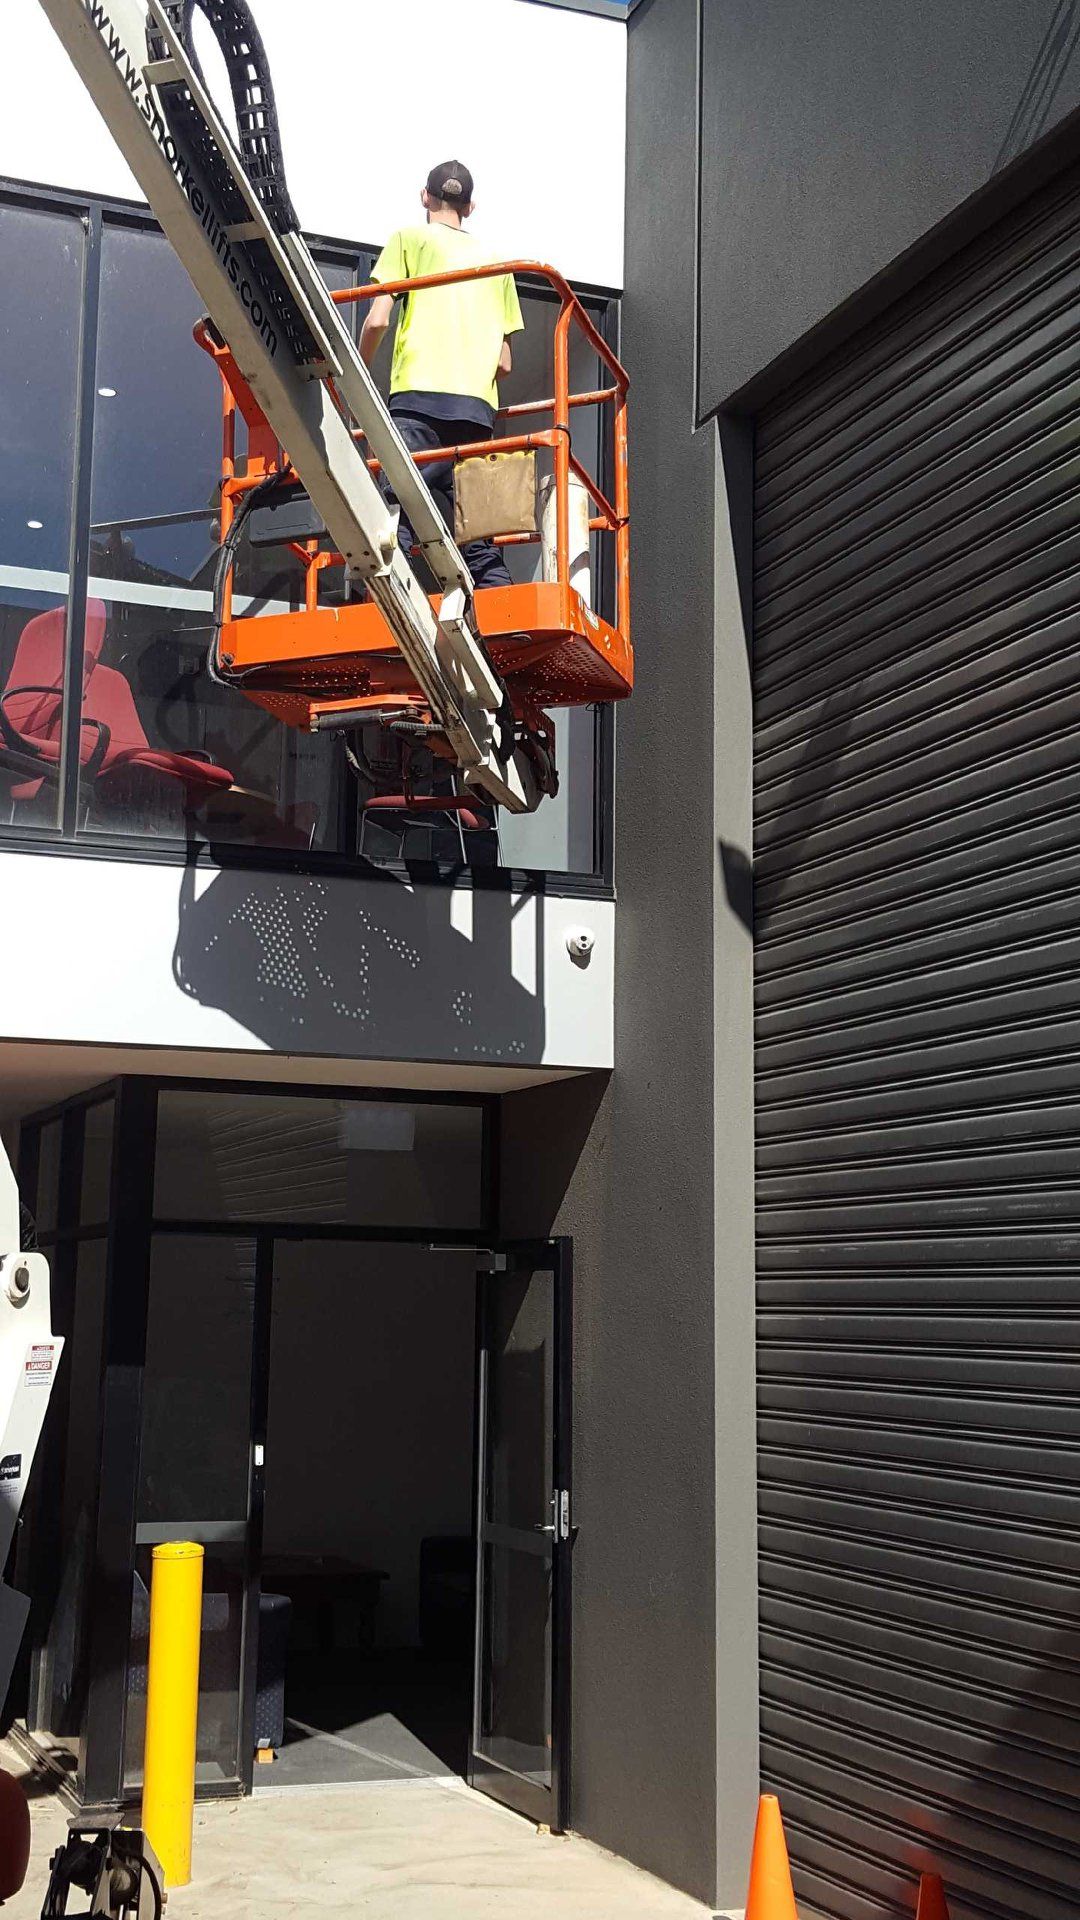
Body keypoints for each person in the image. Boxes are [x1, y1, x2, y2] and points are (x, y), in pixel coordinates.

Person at [360, 160, 524, 589]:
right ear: (470, 207)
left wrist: (355, 373)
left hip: (418, 396)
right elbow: (504, 363)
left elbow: (377, 320)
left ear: (424, 197)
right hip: (476, 410)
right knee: (476, 528)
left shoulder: (408, 239)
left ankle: (384, 604)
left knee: (396, 508)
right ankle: (500, 604)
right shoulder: (497, 263)